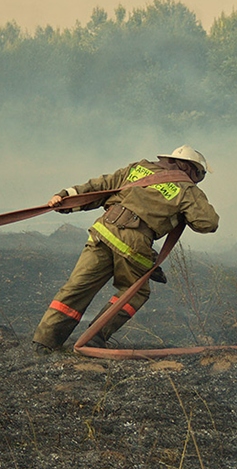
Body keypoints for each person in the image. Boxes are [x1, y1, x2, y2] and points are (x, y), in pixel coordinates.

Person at [32, 145, 219, 353]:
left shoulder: (139, 168)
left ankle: (44, 342)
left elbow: (101, 187)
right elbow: (208, 223)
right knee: (136, 292)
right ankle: (94, 337)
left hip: (102, 232)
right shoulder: (187, 190)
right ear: (191, 168)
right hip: (133, 244)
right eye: (198, 175)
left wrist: (64, 198)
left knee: (77, 287)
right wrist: (184, 210)